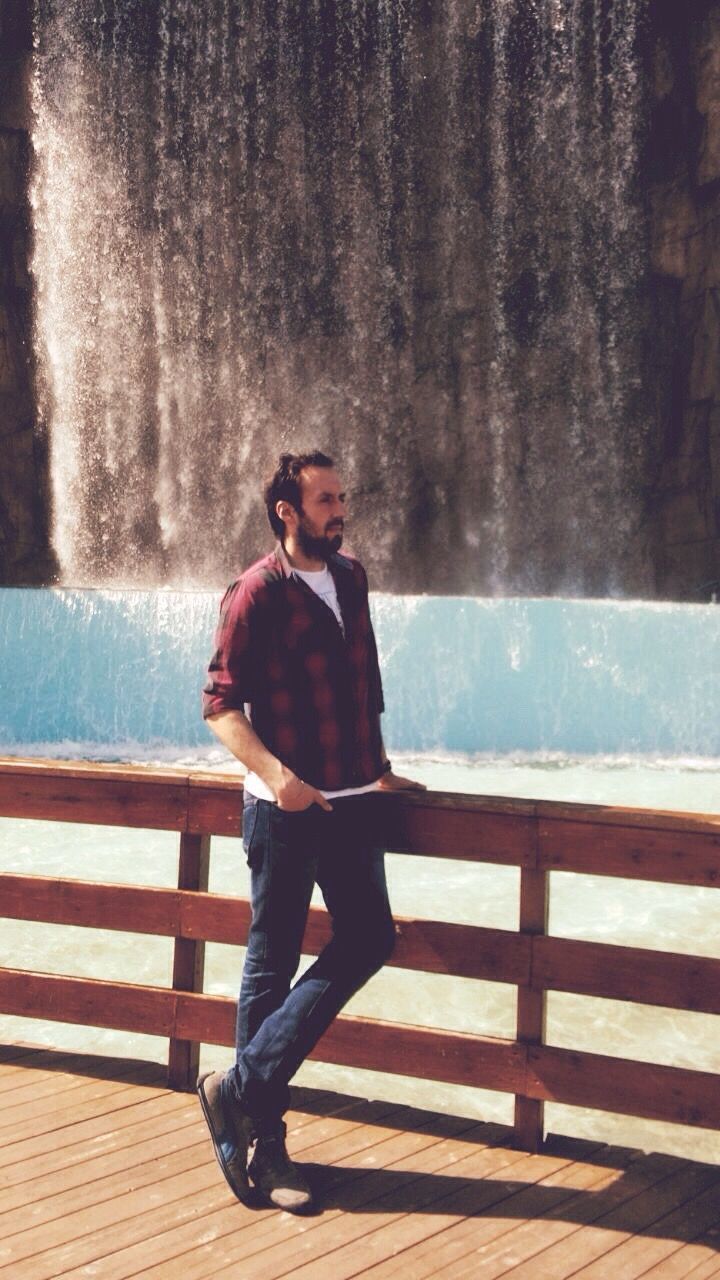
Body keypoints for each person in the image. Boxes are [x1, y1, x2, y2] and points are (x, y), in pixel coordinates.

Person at [198, 450, 424, 1213]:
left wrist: (381, 766)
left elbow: (366, 679)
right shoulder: (254, 593)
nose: (340, 509)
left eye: (341, 497)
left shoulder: (352, 578)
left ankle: (239, 1086)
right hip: (285, 807)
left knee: (369, 936)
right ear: (287, 511)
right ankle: (267, 1145)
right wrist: (279, 779)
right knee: (271, 963)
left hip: (357, 797)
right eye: (325, 499)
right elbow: (221, 706)